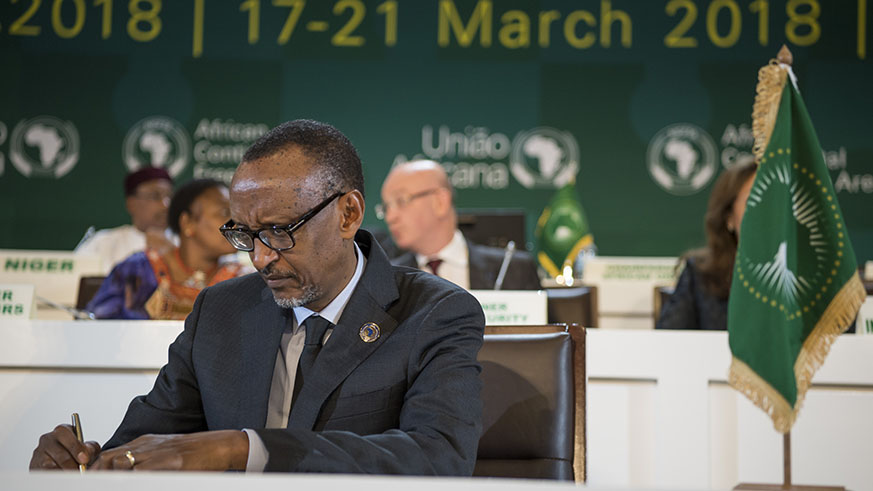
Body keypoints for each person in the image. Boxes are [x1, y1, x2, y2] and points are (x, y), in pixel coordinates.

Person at [30, 119, 485, 474]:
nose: (261, 258)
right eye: (245, 235)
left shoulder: (436, 313)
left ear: (348, 214)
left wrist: (243, 448)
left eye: (280, 232)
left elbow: (438, 457)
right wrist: (83, 463)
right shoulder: (220, 311)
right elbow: (143, 446)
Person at [86, 178, 245, 320]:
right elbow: (96, 327)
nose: (235, 223)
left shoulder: (243, 281)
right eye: (225, 213)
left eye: (236, 214)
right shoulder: (138, 270)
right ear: (187, 223)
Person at [380, 160, 541, 290]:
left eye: (401, 201)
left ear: (440, 202)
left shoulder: (514, 271)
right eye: (386, 207)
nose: (390, 217)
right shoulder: (386, 279)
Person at [656, 159, 757, 330]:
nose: (764, 211)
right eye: (752, 200)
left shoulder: (800, 275)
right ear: (729, 218)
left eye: (772, 201)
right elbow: (668, 342)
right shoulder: (699, 275)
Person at [75, 167, 176, 274]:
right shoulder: (102, 243)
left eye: (169, 196)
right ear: (131, 203)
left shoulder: (185, 242)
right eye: (155, 196)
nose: (166, 205)